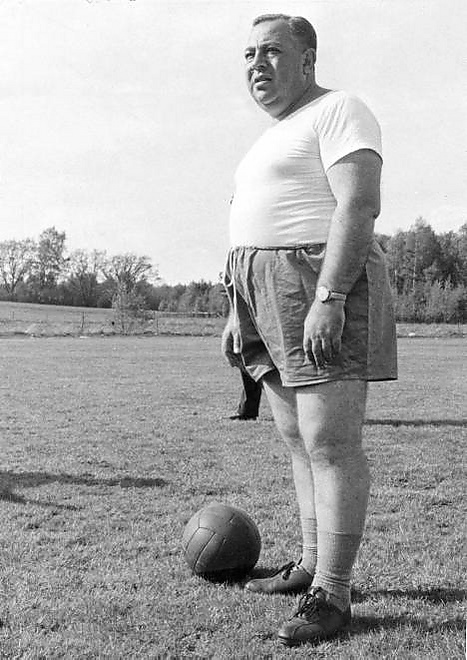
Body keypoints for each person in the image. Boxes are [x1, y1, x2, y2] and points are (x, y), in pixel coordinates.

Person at [221, 13, 397, 647]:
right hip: (260, 289)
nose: (256, 64)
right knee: (297, 439)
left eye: (271, 51)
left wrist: (330, 294)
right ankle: (310, 564)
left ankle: (333, 593)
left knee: (330, 442)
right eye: (248, 54)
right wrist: (236, 308)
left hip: (314, 281)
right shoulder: (272, 134)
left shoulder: (340, 109)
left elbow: (359, 203)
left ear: (307, 60)